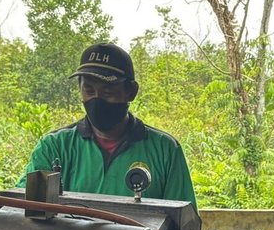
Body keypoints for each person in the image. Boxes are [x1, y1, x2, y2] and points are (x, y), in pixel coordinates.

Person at [21, 41, 197, 204]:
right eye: (89, 90)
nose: (97, 100)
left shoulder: (165, 150)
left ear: (131, 92)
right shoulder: (53, 148)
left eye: (108, 92)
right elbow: (20, 207)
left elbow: (183, 224)